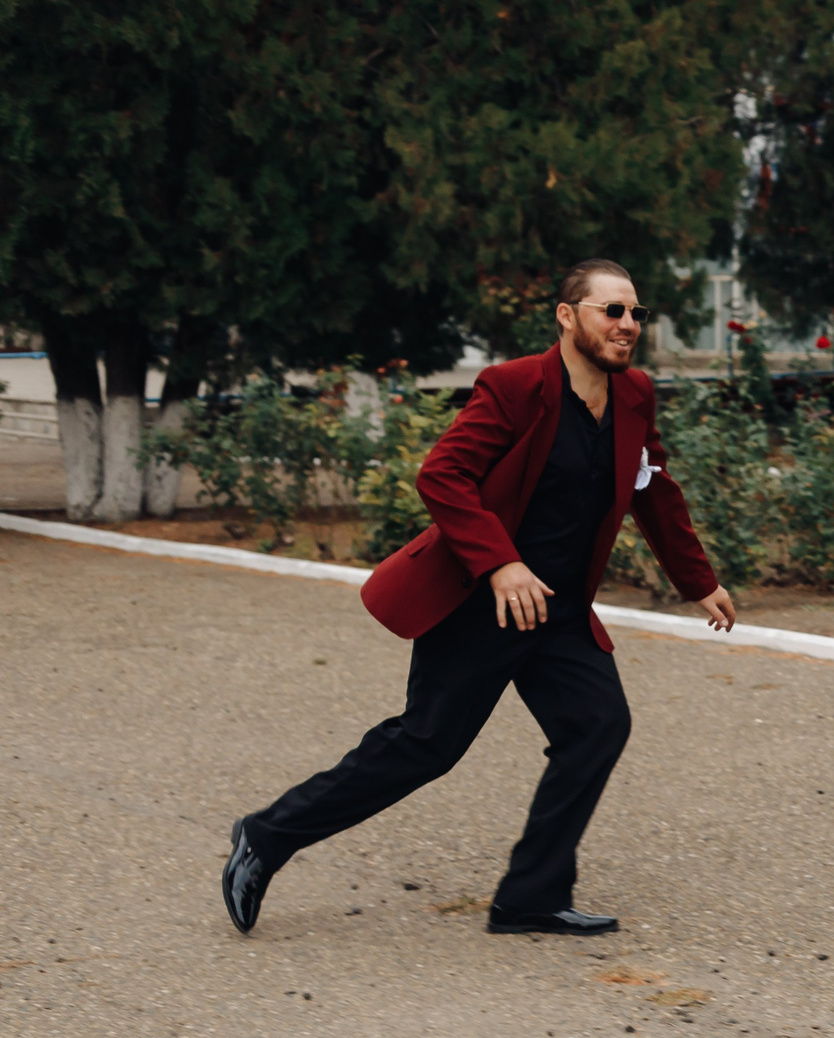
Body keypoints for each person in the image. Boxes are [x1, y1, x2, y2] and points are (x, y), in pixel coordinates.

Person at [221, 259, 736, 937]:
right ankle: (266, 835)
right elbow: (444, 475)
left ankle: (532, 895)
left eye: (636, 313)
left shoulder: (634, 395)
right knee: (425, 746)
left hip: (558, 610)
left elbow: (652, 491)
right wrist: (500, 565)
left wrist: (700, 580)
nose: (628, 325)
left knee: (597, 725)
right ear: (567, 315)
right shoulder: (515, 386)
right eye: (612, 311)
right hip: (479, 601)